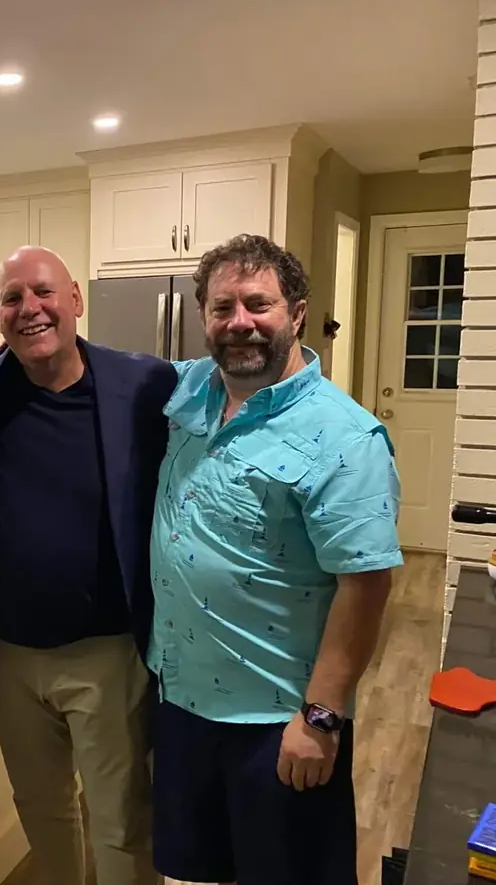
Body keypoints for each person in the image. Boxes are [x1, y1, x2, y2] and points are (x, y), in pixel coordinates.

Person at [149, 234, 401, 885]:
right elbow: (96, 369)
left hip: (277, 720)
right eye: (222, 306)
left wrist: (321, 717)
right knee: (198, 875)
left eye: (257, 304)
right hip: (181, 700)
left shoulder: (344, 437)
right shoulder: (191, 391)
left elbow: (366, 587)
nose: (239, 323)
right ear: (202, 316)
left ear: (296, 313)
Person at [0, 247, 172, 885]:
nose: (31, 310)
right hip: (7, 650)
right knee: (42, 808)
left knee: (122, 820)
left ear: (75, 297)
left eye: (43, 293)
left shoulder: (143, 383)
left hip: (107, 651)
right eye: (13, 299)